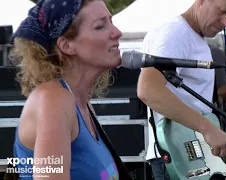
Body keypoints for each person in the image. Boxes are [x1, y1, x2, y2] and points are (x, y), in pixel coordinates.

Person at [5, 0, 132, 179]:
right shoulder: (54, 101)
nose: (117, 33)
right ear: (66, 45)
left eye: (111, 22)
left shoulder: (79, 104)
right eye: (100, 26)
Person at [137, 0, 226, 179]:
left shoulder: (195, 37)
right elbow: (148, 89)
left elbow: (197, 119)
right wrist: (208, 129)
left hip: (192, 158)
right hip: (174, 161)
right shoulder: (175, 33)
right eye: (222, 11)